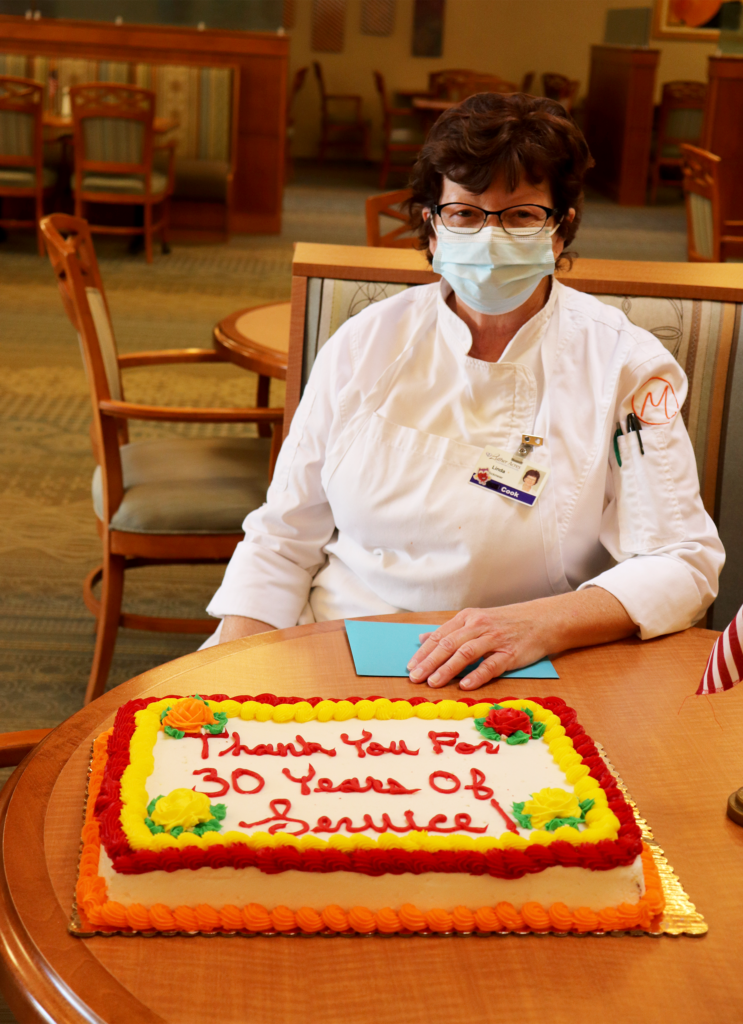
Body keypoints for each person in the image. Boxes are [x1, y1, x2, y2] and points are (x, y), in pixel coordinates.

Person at [204, 92, 723, 690]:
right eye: (466, 215)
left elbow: (682, 559)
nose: (490, 239)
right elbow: (283, 535)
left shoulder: (625, 366)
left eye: (522, 215)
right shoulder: (364, 343)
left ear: (561, 230)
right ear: (431, 227)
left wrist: (540, 625)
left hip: (521, 666)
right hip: (336, 642)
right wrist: (233, 679)